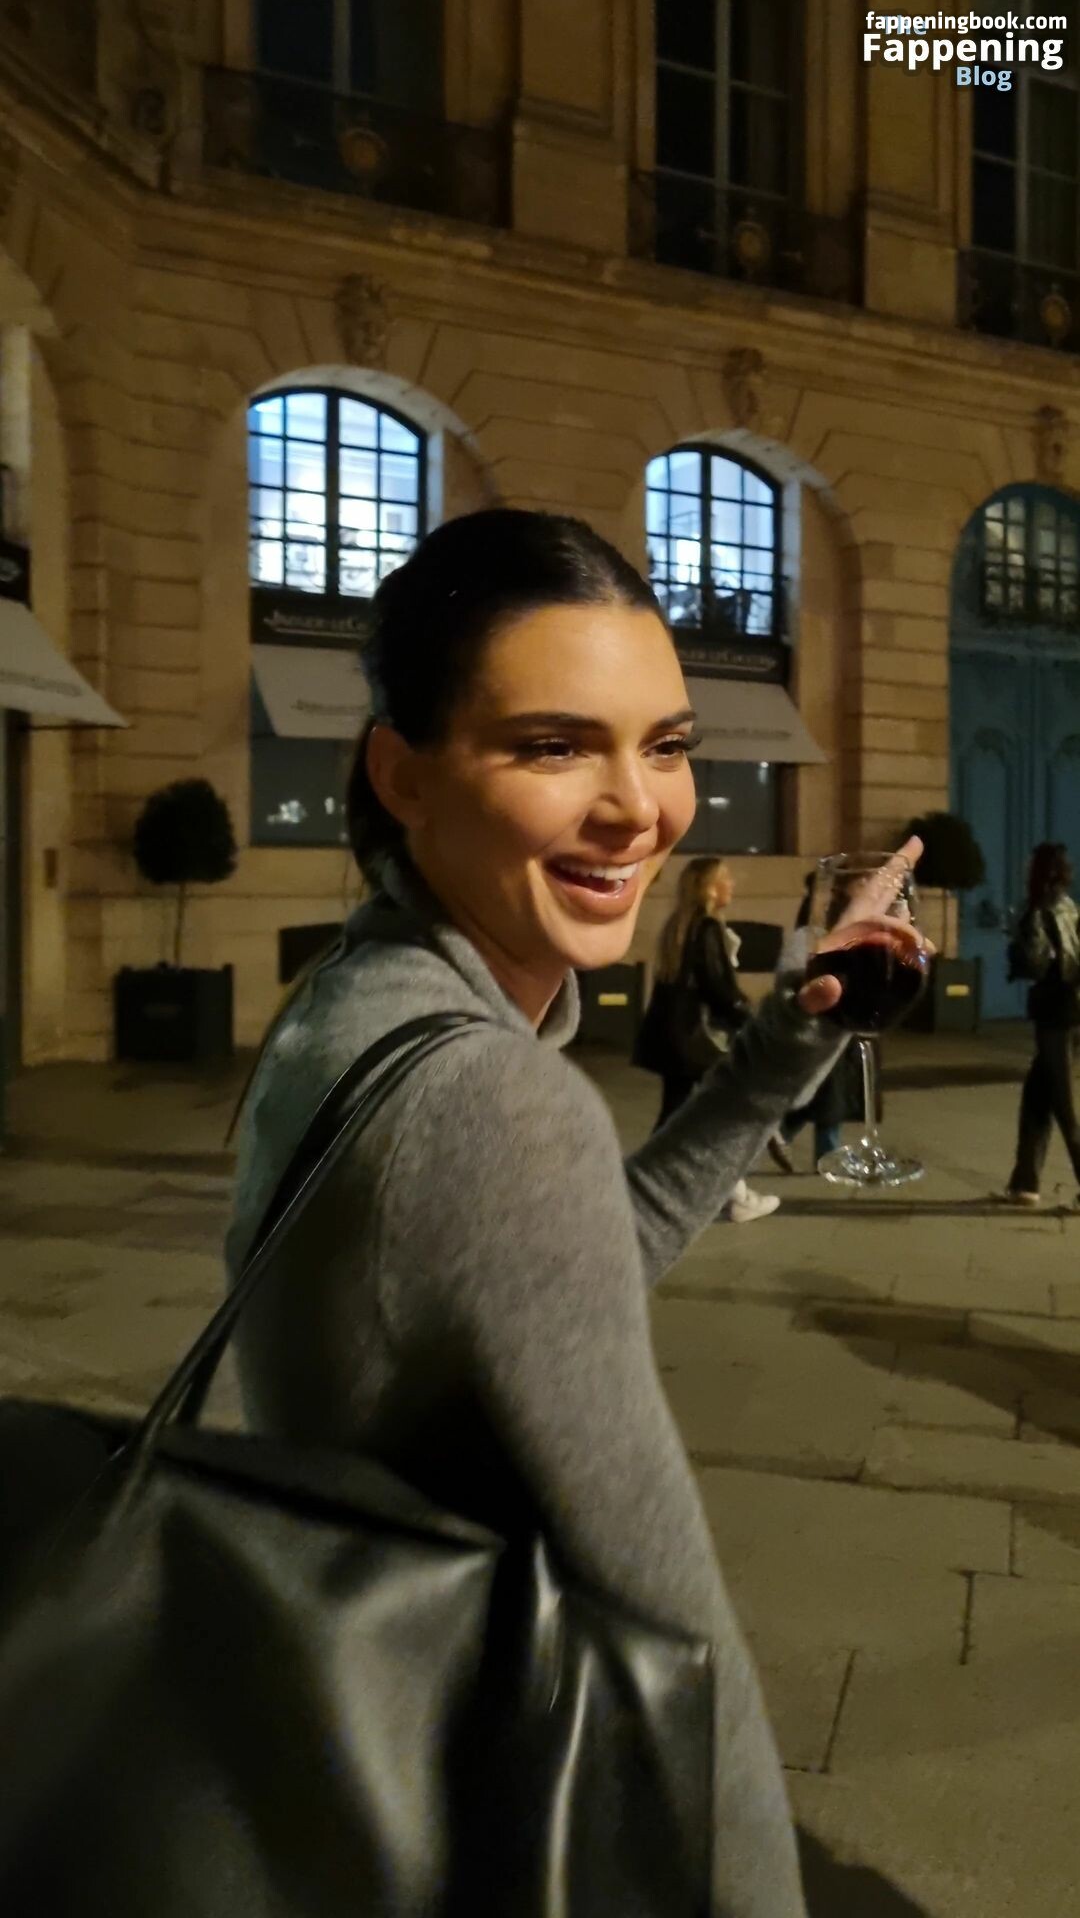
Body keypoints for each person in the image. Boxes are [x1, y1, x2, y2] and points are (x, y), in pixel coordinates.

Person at [225, 508, 925, 1918]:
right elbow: (671, 1622)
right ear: (402, 775)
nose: (638, 809)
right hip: (489, 1807)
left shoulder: (353, 1006)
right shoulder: (490, 1097)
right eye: (553, 747)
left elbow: (572, 1258)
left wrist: (787, 1039)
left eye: (664, 745)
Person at [645, 855, 781, 1222]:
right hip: (699, 1039)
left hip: (675, 1037)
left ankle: (651, 1183)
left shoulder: (678, 925)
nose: (731, 885)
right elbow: (717, 987)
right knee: (727, 1114)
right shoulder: (707, 928)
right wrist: (750, 1018)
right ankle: (733, 1197)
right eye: (725, 879)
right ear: (708, 888)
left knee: (676, 1113)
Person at [999, 840, 1080, 1207]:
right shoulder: (1069, 906)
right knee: (1036, 1098)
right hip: (1071, 1009)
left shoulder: (1037, 910)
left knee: (1064, 1107)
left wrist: (1017, 942)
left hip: (1055, 1013)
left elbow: (1035, 963)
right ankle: (1025, 1183)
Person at [772, 871, 866, 1171]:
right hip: (824, 1020)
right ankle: (825, 1153)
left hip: (843, 1022)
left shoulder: (853, 926)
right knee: (826, 1093)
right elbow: (790, 978)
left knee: (824, 1093)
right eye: (860, 884)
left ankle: (784, 1134)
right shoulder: (814, 932)